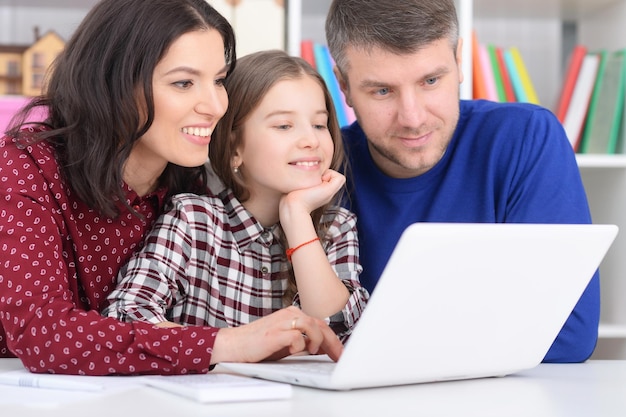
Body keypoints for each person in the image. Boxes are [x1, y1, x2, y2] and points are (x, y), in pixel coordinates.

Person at [0, 0, 342, 376]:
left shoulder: (191, 186)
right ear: (114, 84)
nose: (215, 106)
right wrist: (229, 342)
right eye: (183, 83)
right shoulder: (25, 166)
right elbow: (44, 334)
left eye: (219, 81)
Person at [325, 0, 598, 363]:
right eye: (382, 91)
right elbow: (306, 335)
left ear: (459, 59)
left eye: (431, 81)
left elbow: (568, 335)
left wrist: (375, 340)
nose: (412, 118)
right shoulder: (323, 165)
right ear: (343, 84)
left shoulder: (525, 138)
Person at [102, 50, 368, 344]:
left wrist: (298, 218)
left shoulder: (336, 226)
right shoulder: (194, 220)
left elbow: (343, 334)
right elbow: (126, 315)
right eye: (284, 126)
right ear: (235, 148)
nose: (311, 140)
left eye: (319, 124)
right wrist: (239, 344)